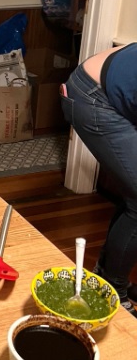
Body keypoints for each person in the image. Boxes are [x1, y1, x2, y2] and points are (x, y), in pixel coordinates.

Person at [60, 43, 137, 317]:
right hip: (93, 96)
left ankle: (106, 278)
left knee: (133, 194)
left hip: (105, 88)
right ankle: (113, 290)